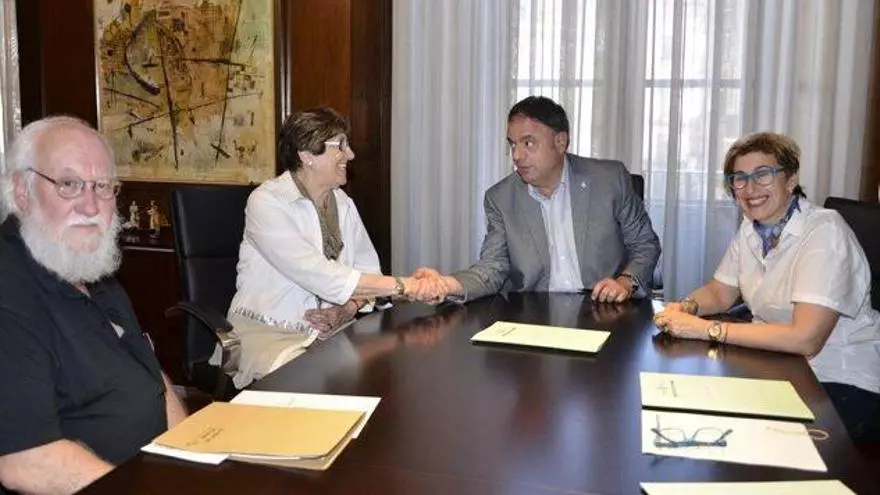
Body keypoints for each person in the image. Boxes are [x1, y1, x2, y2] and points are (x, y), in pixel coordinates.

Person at [0, 116, 187, 494]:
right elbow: (26, 462)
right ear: (22, 191)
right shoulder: (9, 290)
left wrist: (190, 459)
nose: (90, 206)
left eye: (103, 186)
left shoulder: (87, 267)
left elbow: (152, 378)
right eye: (69, 185)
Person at [654, 132, 880, 443]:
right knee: (698, 411)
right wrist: (685, 308)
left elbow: (806, 339)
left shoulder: (825, 231)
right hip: (780, 366)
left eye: (763, 175)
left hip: (840, 378)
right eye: (740, 178)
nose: (750, 189)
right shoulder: (752, 228)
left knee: (748, 439)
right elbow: (720, 292)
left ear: (790, 179)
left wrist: (706, 330)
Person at [227, 107, 431, 386]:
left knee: (388, 370)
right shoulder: (267, 202)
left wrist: (346, 310)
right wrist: (404, 286)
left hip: (331, 332)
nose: (351, 154)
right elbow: (316, 273)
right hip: (270, 333)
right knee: (312, 385)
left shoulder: (343, 204)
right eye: (341, 145)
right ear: (307, 155)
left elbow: (367, 270)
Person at [414, 96, 660, 303]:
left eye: (528, 143)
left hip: (605, 309)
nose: (517, 156)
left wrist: (625, 282)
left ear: (560, 142)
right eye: (513, 145)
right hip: (535, 316)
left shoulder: (609, 180)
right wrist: (445, 284)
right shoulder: (500, 199)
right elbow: (491, 269)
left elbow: (645, 245)